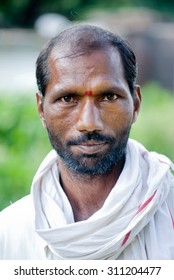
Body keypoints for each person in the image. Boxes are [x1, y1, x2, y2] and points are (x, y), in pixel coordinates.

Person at [0, 24, 174, 260]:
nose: (89, 123)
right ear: (41, 109)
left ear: (135, 104)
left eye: (109, 97)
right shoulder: (10, 233)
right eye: (68, 98)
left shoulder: (168, 210)